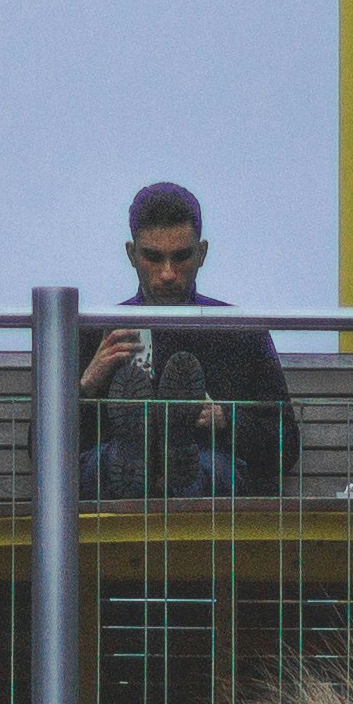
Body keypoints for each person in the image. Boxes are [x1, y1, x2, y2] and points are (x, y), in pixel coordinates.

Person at [77, 181, 293, 499]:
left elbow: (286, 444)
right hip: (112, 485)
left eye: (181, 257)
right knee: (105, 463)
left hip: (208, 471)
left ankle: (170, 452)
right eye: (153, 257)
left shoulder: (238, 331)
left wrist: (223, 419)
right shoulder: (97, 331)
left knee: (209, 469)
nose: (167, 273)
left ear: (202, 253)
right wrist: (86, 386)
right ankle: (142, 451)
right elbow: (39, 448)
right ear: (132, 254)